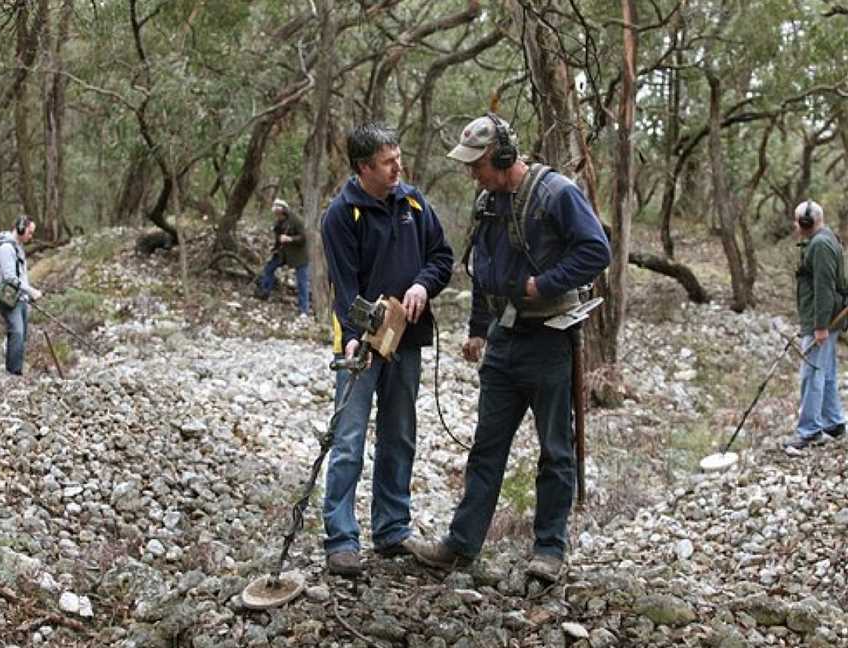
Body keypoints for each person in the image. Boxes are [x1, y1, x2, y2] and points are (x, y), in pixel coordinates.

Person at [408, 113, 611, 582]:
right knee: (486, 447)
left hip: (549, 337)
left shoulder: (556, 193)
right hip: (503, 339)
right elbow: (483, 267)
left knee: (556, 451)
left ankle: (549, 550)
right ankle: (462, 545)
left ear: (501, 156)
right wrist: (479, 328)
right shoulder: (487, 202)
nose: (471, 173)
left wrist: (546, 284)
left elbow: (595, 250)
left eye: (477, 164)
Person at [320, 122, 454, 576]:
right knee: (349, 439)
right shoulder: (341, 215)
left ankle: (392, 529)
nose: (398, 167)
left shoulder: (413, 203)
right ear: (363, 168)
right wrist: (357, 334)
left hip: (408, 340)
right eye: (387, 162)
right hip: (360, 342)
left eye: (398, 157)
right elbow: (344, 285)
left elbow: (442, 257)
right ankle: (341, 538)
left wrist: (421, 285)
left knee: (399, 433)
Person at [783, 199, 846, 454]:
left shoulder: (820, 245)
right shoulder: (823, 238)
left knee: (811, 374)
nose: (796, 225)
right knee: (827, 371)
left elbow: (824, 288)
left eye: (799, 221)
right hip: (824, 318)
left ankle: (809, 431)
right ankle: (834, 423)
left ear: (806, 223)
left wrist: (820, 326)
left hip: (822, 321)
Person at [0, 215, 43, 375]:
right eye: (30, 231)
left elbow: (22, 275)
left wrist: (26, 297)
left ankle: (13, 367)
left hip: (19, 298)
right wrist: (31, 291)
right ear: (21, 228)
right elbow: (10, 278)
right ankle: (14, 373)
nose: (31, 236)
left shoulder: (18, 247)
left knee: (20, 336)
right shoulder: (6, 248)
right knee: (17, 332)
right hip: (8, 299)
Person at [255, 198, 310, 317]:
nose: (277, 215)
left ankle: (304, 310)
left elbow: (304, 238)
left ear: (284, 211)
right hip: (283, 254)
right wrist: (275, 249)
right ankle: (264, 292)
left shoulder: (296, 220)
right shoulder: (278, 223)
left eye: (279, 213)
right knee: (269, 269)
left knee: (302, 282)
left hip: (299, 256)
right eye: (275, 213)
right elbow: (278, 239)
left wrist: (290, 239)